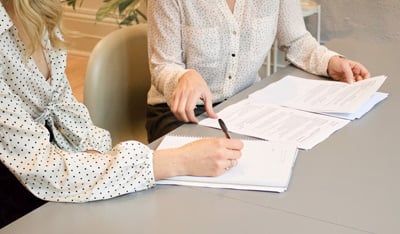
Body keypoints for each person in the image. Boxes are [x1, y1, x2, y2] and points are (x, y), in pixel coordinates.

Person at [0, 0, 243, 228]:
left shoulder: (38, 12)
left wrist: (96, 157)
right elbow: (41, 167)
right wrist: (178, 161)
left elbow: (66, 110)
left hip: (51, 173)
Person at [146, 0, 371, 142]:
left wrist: (330, 62)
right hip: (180, 114)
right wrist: (183, 77)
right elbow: (163, 65)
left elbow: (296, 40)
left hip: (244, 108)